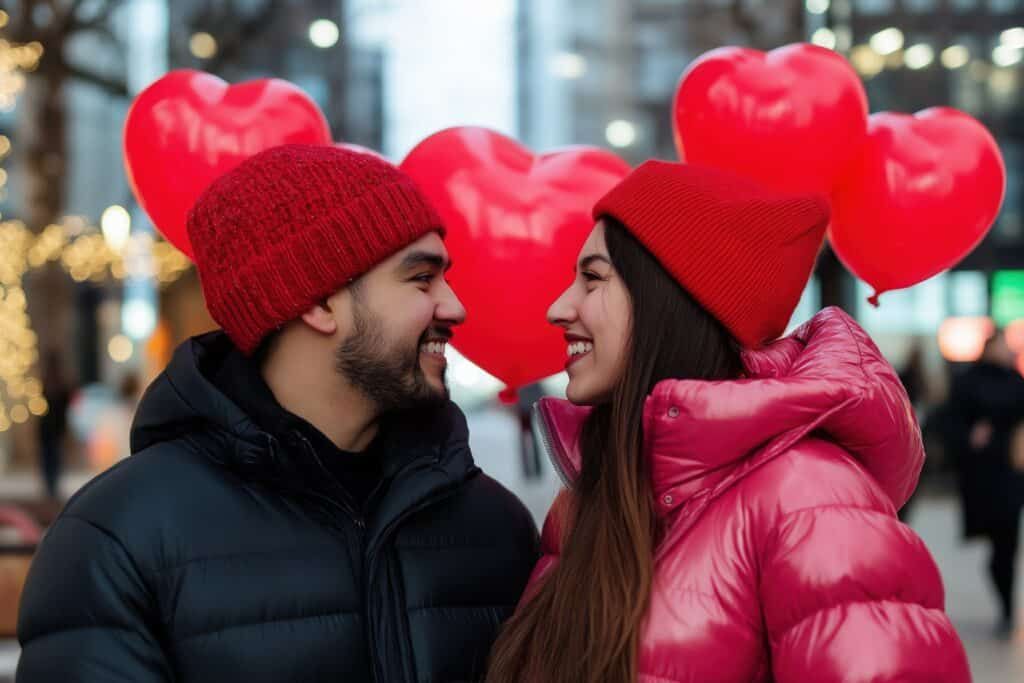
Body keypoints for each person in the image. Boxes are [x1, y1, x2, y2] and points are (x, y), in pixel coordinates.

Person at [17, 145, 538, 682]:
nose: (455, 307)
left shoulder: (495, 528)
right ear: (317, 301)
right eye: (421, 279)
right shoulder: (120, 538)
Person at [487, 161, 970, 682]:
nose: (559, 308)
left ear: (669, 301)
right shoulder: (590, 497)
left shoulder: (811, 499)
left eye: (593, 278)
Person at [948, 329, 1024, 638]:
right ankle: (1002, 591)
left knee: (1007, 540)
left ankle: (1007, 608)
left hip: (1010, 472)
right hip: (981, 475)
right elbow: (950, 420)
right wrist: (969, 437)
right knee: (996, 541)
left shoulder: (1016, 381)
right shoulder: (969, 381)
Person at [37, 350, 72, 500]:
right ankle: (50, 487)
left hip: (52, 427)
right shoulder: (52, 383)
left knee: (52, 457)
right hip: (51, 427)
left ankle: (51, 487)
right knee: (51, 457)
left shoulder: (53, 383)